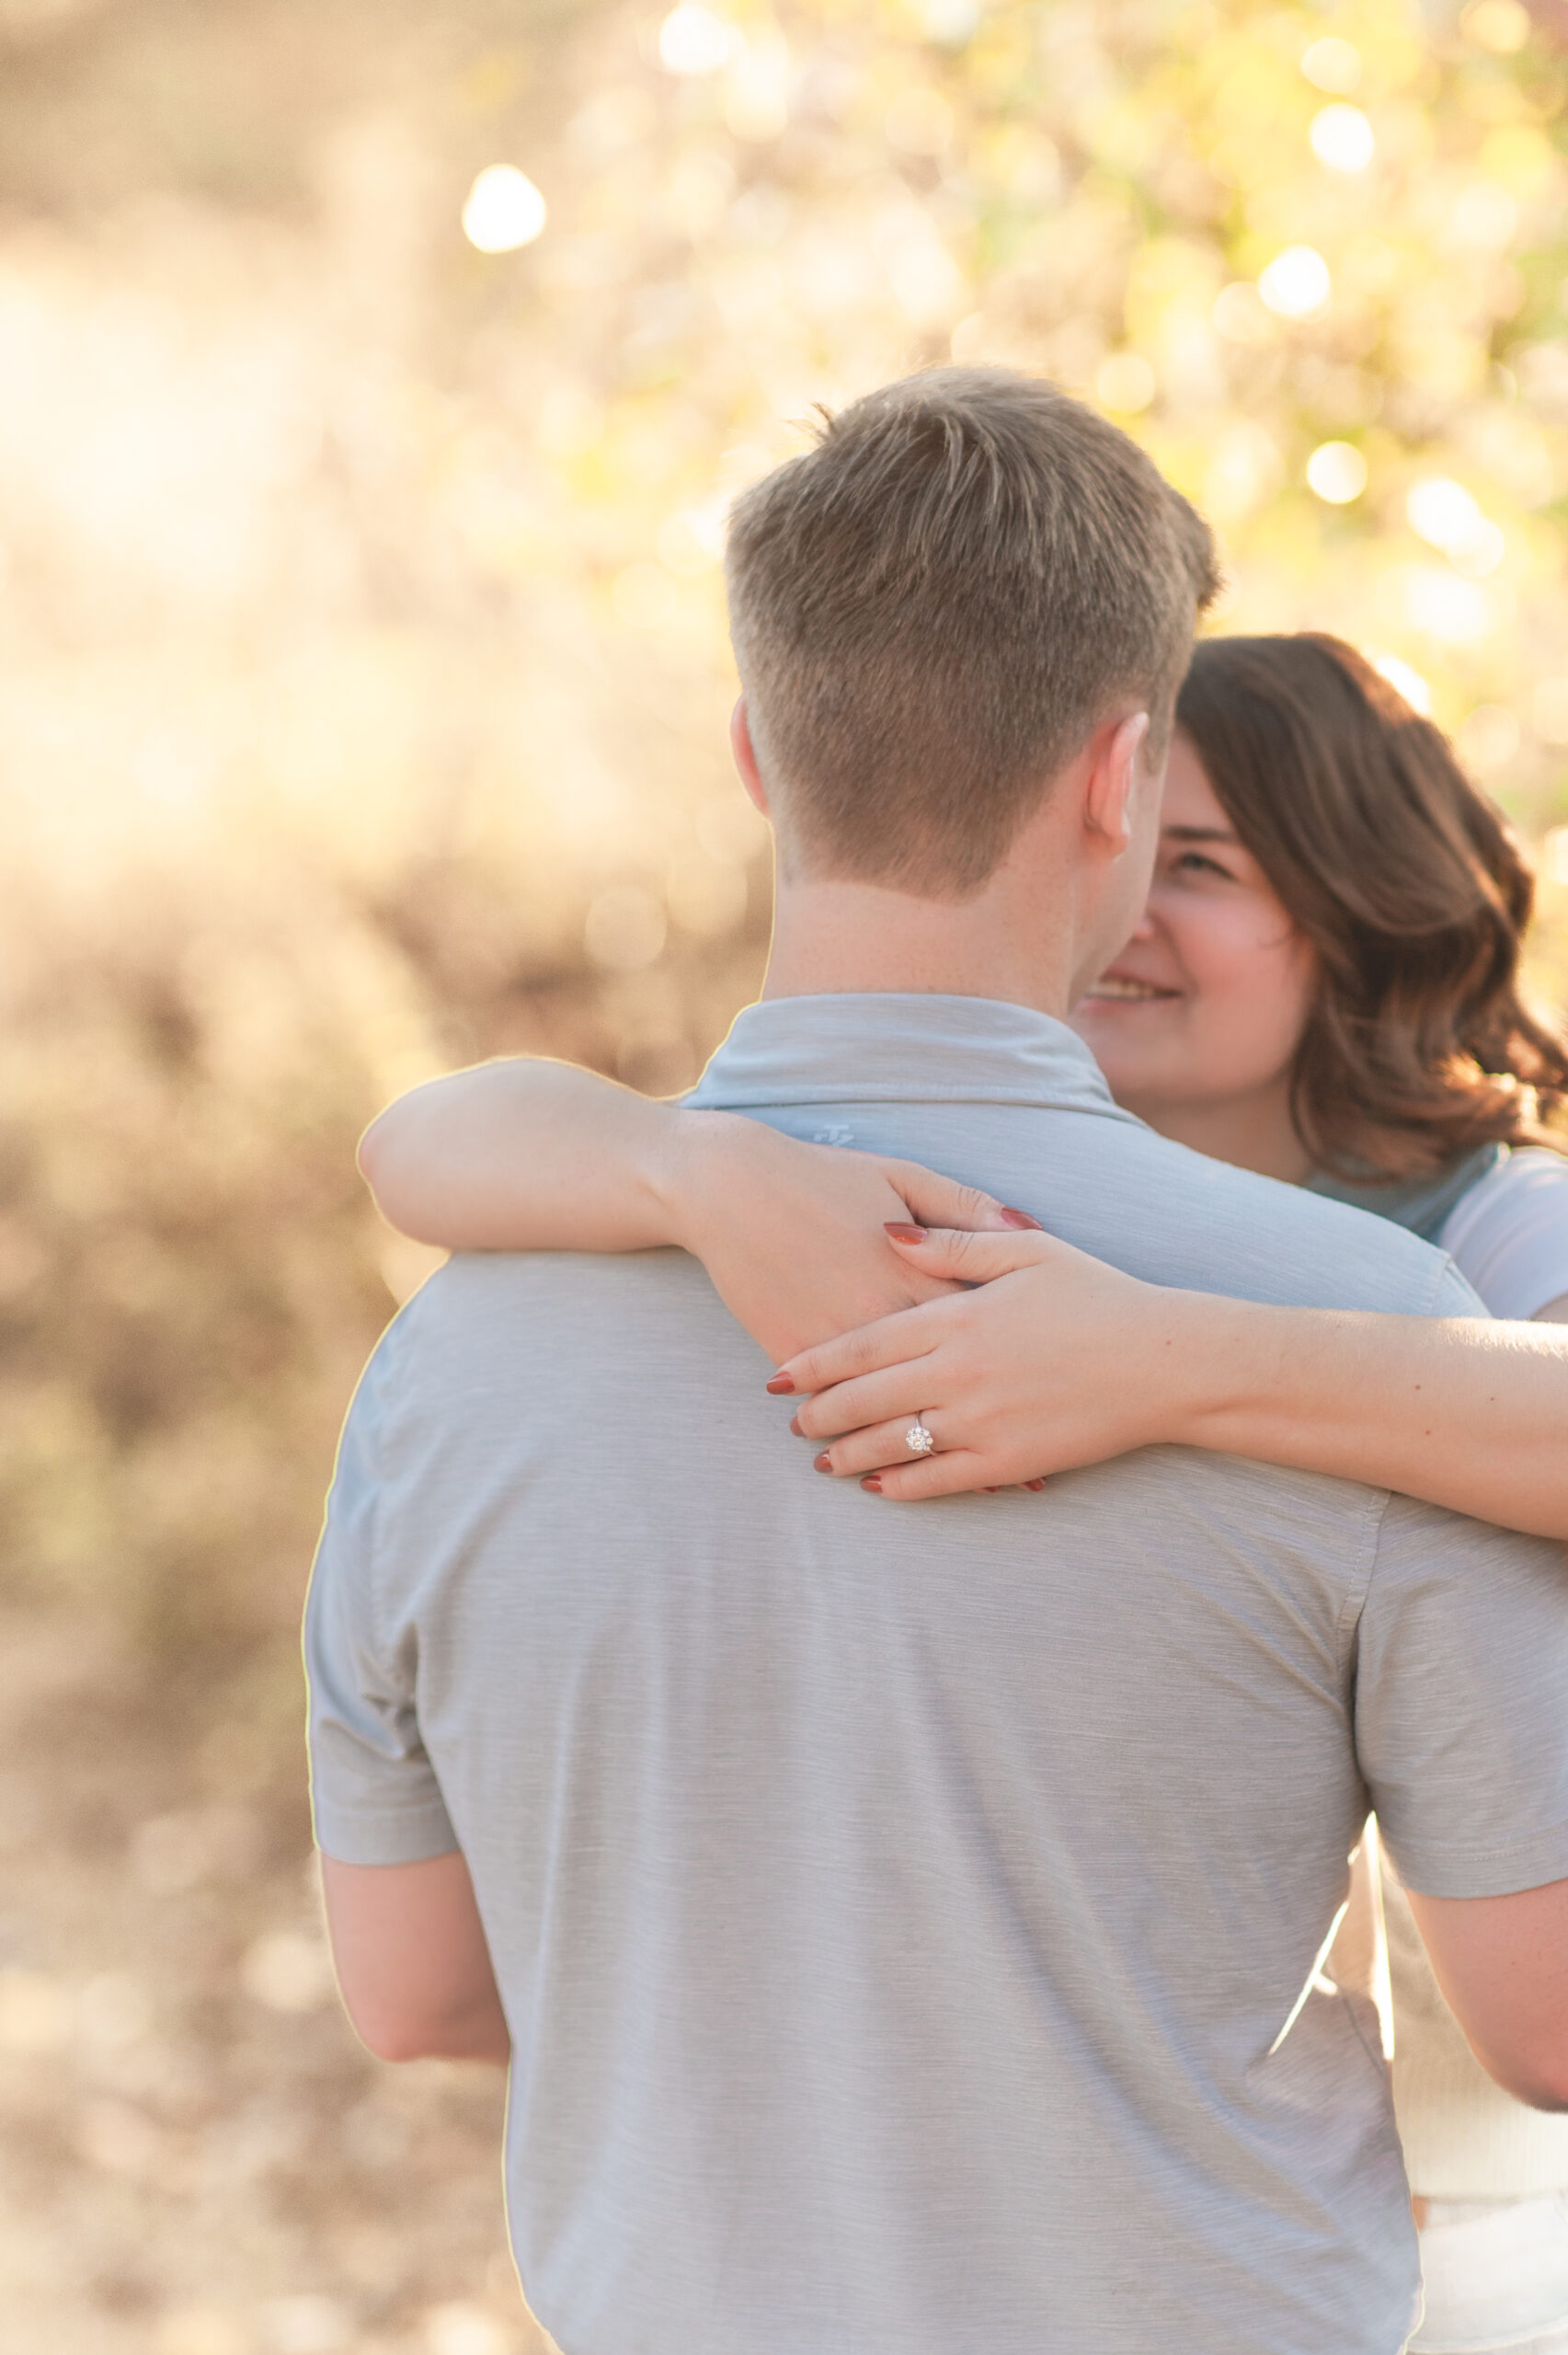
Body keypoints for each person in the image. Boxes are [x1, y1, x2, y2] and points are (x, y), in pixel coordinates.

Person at [309, 369, 1568, 2355]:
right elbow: (1549, 2013)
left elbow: (420, 1995)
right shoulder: (1380, 1341)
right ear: (1114, 776)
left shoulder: (447, 1355)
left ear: (754, 750)